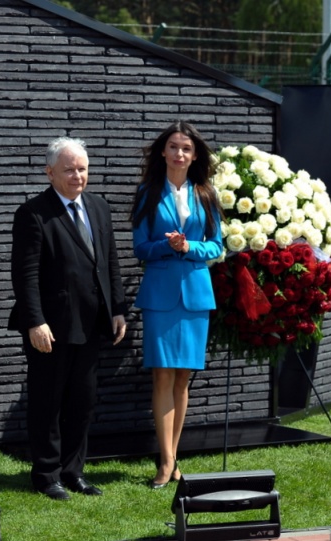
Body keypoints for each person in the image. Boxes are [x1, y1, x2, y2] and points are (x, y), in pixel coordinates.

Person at [8, 137, 127, 501]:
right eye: (70, 169)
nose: (78, 176)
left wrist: (118, 308)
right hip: (52, 326)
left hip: (92, 323)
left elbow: (109, 260)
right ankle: (47, 475)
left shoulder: (99, 207)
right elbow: (24, 274)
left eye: (83, 169)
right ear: (50, 172)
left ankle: (74, 472)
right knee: (48, 401)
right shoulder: (33, 213)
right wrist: (34, 321)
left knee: (82, 401)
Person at [129, 121, 223, 489]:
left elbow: (217, 246)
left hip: (196, 295)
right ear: (163, 152)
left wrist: (189, 248)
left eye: (185, 148)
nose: (179, 153)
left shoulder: (206, 194)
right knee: (162, 375)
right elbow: (139, 247)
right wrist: (166, 246)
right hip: (160, 294)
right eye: (172, 147)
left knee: (183, 377)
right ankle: (167, 462)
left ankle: (172, 456)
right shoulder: (147, 192)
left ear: (194, 154)